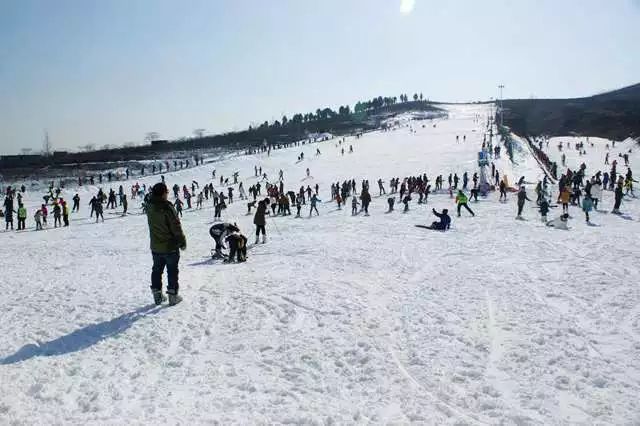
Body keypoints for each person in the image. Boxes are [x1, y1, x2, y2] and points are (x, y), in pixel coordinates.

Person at [146, 182, 187, 306]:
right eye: (167, 192)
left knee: (157, 270)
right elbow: (176, 227)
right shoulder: (166, 207)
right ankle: (173, 296)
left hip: (156, 246)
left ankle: (157, 295)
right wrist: (182, 241)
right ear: (163, 193)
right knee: (172, 271)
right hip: (170, 246)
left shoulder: (149, 205)